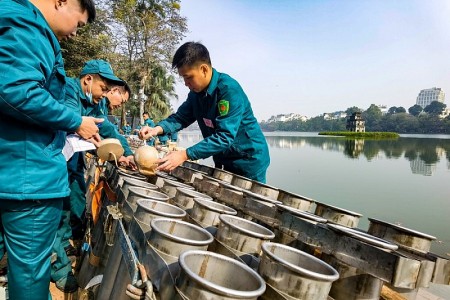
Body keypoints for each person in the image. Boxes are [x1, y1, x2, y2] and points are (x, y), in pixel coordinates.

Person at [0, 0, 100, 299]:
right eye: (78, 24)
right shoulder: (28, 27)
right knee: (31, 272)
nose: (75, 34)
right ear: (62, 2)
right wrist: (75, 121)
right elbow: (16, 91)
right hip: (28, 179)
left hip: (13, 169)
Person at [51, 60, 134, 292]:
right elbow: (63, 116)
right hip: (50, 158)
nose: (104, 95)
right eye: (103, 88)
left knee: (70, 201)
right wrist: (79, 124)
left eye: (108, 91)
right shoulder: (67, 89)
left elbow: (108, 128)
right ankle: (58, 267)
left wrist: (126, 154)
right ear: (88, 80)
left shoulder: (94, 103)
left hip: (70, 159)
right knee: (52, 211)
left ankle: (63, 246)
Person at [139, 42, 270, 182]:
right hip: (224, 157)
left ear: (204, 69)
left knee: (249, 201)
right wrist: (156, 130)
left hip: (248, 158)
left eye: (189, 77)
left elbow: (225, 136)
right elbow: (180, 118)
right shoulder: (195, 95)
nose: (186, 83)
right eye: (183, 78)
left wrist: (185, 155)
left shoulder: (228, 90)